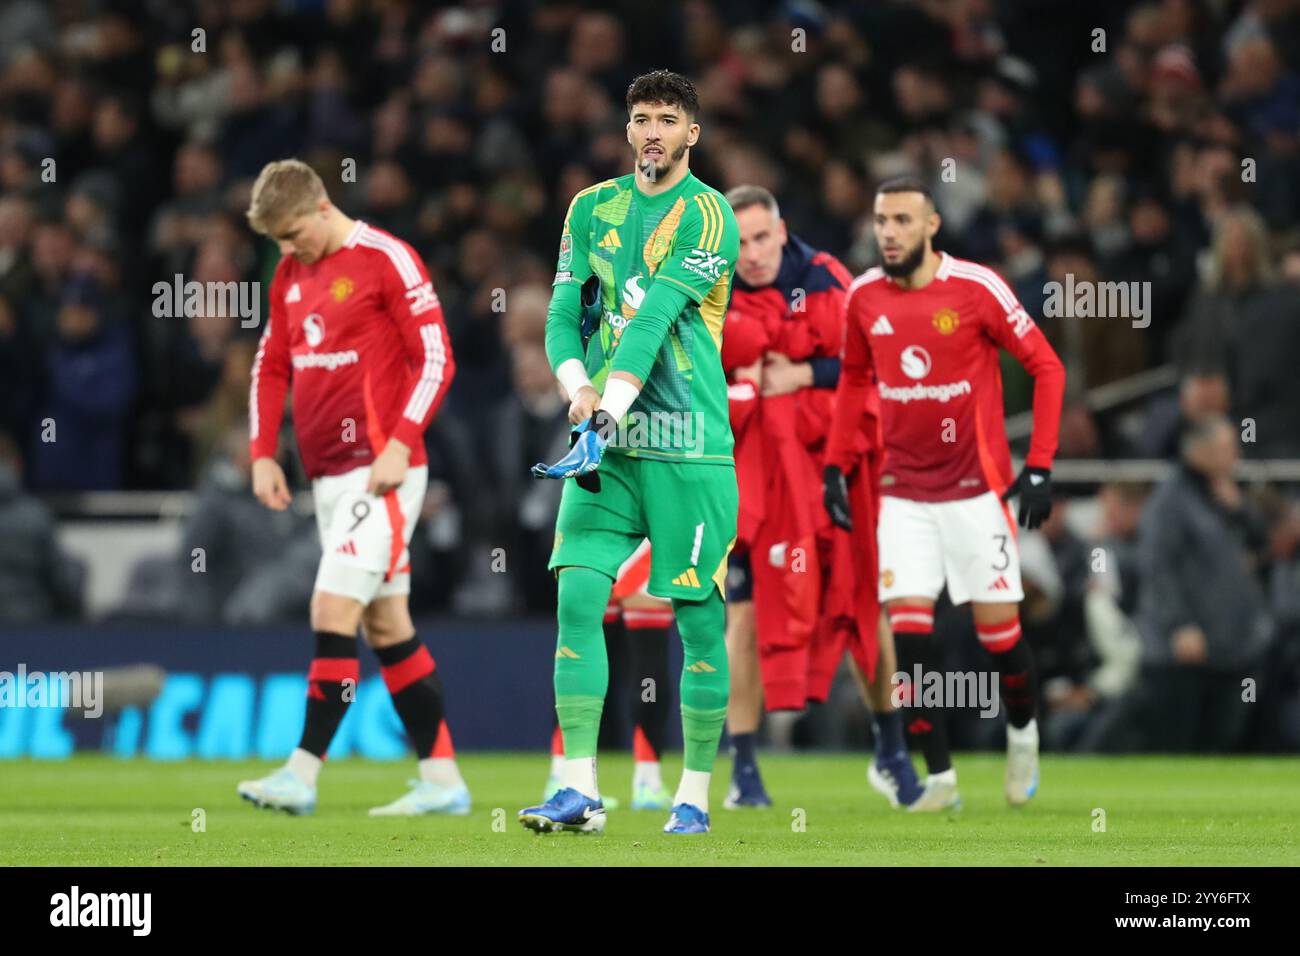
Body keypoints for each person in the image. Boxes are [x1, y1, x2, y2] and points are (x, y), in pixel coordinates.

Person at [520, 70, 739, 835]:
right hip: (609, 444)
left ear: (691, 135)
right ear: (627, 130)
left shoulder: (710, 216)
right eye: (641, 117)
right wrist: (578, 388)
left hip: (689, 444)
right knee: (578, 596)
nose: (652, 131)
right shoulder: (591, 208)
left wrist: (604, 413)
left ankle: (694, 795)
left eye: (667, 120)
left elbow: (649, 327)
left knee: (697, 620)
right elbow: (562, 313)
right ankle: (579, 788)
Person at [236, 159, 470, 816]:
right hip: (327, 480)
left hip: (381, 472)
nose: (286, 250)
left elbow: (436, 357)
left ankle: (301, 774)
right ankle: (443, 780)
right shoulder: (289, 276)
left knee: (330, 609)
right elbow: (271, 365)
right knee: (386, 623)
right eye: (276, 241)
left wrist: (400, 442)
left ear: (318, 207)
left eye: (290, 234)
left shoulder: (387, 259)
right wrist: (262, 454)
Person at [824, 176, 1066, 810]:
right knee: (909, 633)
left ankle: (1022, 733)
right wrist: (836, 463)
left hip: (975, 494)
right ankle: (941, 778)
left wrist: (1038, 466)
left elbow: (1047, 366)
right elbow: (852, 379)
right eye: (881, 221)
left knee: (999, 637)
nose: (889, 232)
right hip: (903, 494)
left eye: (903, 220)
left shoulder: (976, 288)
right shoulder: (864, 297)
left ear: (931, 226)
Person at [719, 184, 921, 809]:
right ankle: (743, 771)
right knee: (743, 620)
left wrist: (800, 373)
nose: (751, 254)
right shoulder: (706, 290)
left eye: (761, 238)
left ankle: (890, 750)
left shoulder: (830, 278)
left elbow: (871, 362)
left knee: (864, 610)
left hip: (833, 474)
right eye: (740, 241)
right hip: (750, 483)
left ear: (782, 233)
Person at [1134, 415, 1272, 751]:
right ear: (1201, 450)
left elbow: (1262, 544)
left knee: (1224, 739)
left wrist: (1240, 510)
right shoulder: (1171, 498)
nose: (1236, 455)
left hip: (1231, 644)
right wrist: (1180, 624)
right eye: (1228, 448)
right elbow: (1158, 565)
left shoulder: (1224, 494)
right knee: (1183, 742)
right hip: (1185, 648)